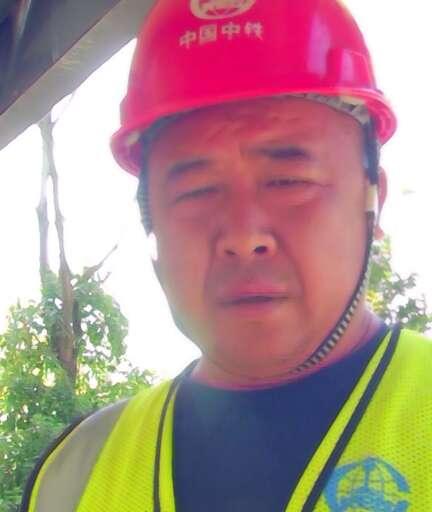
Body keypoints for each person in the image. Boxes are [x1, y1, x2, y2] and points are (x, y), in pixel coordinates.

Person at [21, 0, 432, 511]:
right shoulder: (74, 478)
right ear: (150, 220)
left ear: (373, 201)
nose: (242, 234)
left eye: (289, 180)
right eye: (196, 190)